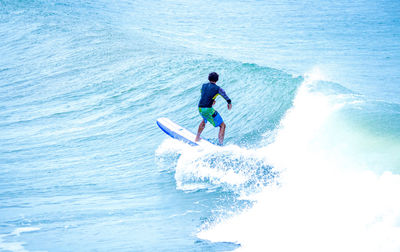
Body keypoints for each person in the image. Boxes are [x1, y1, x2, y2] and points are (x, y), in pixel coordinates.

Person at [195, 72, 232, 145]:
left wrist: (212, 100)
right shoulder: (218, 89)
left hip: (200, 108)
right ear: (217, 79)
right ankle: (221, 145)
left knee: (204, 119)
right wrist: (229, 103)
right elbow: (225, 96)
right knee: (222, 125)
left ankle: (197, 138)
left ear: (209, 78)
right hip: (208, 109)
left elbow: (203, 94)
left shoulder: (203, 86)